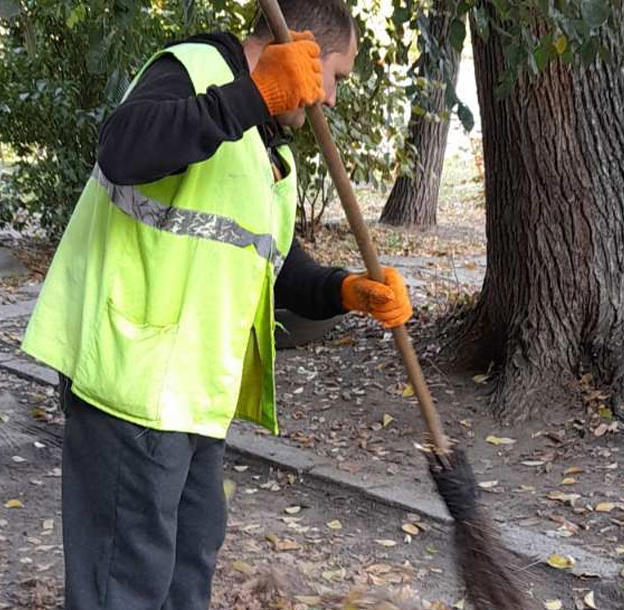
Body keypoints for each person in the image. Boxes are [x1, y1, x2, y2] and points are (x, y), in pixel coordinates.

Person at [21, 1, 413, 608]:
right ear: (302, 49)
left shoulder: (266, 148)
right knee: (123, 582)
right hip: (133, 386)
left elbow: (273, 262)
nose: (330, 97)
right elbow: (121, 148)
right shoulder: (197, 71)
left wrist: (343, 290)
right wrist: (252, 96)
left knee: (189, 560)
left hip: (193, 399)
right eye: (336, 75)